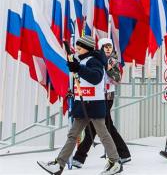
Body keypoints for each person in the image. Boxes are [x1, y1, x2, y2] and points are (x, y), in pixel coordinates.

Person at [37, 36, 122, 175]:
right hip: (83, 104)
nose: (77, 50)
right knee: (73, 135)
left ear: (87, 48)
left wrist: (79, 68)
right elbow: (81, 76)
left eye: (79, 48)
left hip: (94, 104)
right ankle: (59, 164)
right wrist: (76, 65)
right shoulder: (84, 60)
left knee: (103, 134)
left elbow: (96, 77)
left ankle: (115, 161)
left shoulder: (94, 60)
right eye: (76, 48)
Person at [71, 38, 131, 169]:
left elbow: (117, 78)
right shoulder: (94, 58)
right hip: (95, 97)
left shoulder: (112, 61)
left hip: (106, 97)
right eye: (105, 46)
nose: (108, 49)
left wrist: (107, 68)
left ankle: (79, 157)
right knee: (102, 127)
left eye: (110, 46)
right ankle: (122, 153)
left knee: (97, 128)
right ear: (100, 48)